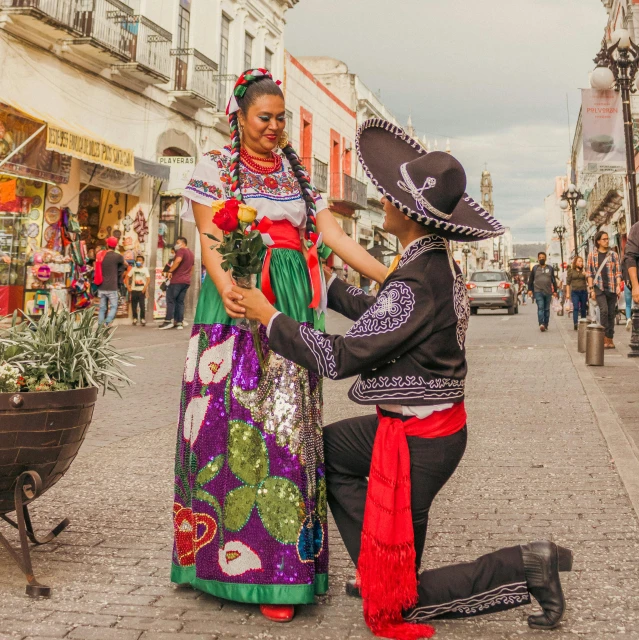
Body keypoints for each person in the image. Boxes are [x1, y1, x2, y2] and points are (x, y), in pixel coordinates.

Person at [234, 119, 572, 638]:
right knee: (323, 453)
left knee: (402, 602)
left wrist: (270, 317)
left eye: (392, 196)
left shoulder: (417, 279)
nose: (383, 200)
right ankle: (379, 567)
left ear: (408, 214)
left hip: (421, 441)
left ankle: (527, 566)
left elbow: (344, 357)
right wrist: (320, 281)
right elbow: (380, 313)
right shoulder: (425, 264)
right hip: (415, 430)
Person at [170, 69, 387, 623]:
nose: (273, 127)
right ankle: (224, 563)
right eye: (264, 118)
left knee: (289, 428)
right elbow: (211, 238)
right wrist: (230, 291)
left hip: (291, 304)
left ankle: (283, 571)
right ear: (239, 119)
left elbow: (335, 239)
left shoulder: (295, 174)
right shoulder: (215, 167)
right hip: (236, 304)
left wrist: (394, 276)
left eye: (280, 118)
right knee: (230, 425)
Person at [587, 230, 622, 349]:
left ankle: (610, 338)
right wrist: (591, 289)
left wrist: (618, 285)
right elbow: (590, 274)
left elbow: (618, 272)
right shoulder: (592, 255)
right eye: (604, 239)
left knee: (611, 313)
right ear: (598, 241)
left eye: (607, 239)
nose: (607, 241)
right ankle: (604, 337)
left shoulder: (613, 255)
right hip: (599, 287)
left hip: (611, 287)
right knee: (604, 311)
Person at [159, 237, 194, 330]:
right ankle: (179, 322)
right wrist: (187, 277)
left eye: (178, 242)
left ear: (183, 243)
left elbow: (177, 261)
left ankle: (168, 321)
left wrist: (170, 271)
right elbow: (192, 268)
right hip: (186, 281)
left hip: (177, 280)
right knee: (180, 302)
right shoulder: (191, 253)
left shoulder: (181, 251)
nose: (176, 244)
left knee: (171, 300)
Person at [96, 236, 124, 327]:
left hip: (101, 286)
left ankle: (100, 325)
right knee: (113, 307)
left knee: (102, 308)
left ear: (107, 244)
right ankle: (107, 322)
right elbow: (125, 266)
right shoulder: (118, 257)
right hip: (112, 287)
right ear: (115, 246)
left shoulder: (100, 255)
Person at [528, 252, 556, 332]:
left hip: (548, 292)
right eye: (540, 257)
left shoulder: (550, 268)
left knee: (546, 309)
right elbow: (531, 280)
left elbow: (553, 280)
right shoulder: (535, 268)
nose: (541, 259)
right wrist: (529, 289)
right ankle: (541, 324)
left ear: (545, 258)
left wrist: (555, 291)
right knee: (540, 307)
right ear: (538, 258)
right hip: (538, 291)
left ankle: (546, 324)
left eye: (543, 257)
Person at [127, 255, 150, 326]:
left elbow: (148, 279)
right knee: (134, 305)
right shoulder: (133, 269)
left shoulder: (145, 269)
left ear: (143, 262)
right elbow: (127, 277)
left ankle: (142, 319)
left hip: (141, 290)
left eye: (140, 260)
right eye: (137, 260)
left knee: (142, 305)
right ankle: (135, 318)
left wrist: (145, 288)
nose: (138, 261)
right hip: (134, 290)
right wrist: (128, 287)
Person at [566, 256, 587, 330]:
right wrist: (567, 293)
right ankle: (575, 323)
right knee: (576, 307)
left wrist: (586, 275)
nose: (581, 263)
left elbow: (589, 280)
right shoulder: (571, 271)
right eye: (579, 261)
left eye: (582, 261)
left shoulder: (584, 271)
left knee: (583, 308)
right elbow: (568, 283)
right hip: (575, 292)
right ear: (575, 262)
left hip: (583, 291)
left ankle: (583, 323)